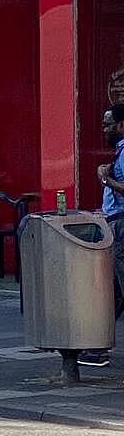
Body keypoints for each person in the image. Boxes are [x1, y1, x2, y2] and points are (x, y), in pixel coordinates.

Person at [92, 103, 124, 369]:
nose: (104, 128)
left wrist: (106, 180)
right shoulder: (120, 152)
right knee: (113, 292)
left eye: (108, 123)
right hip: (115, 223)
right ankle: (96, 347)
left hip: (122, 225)